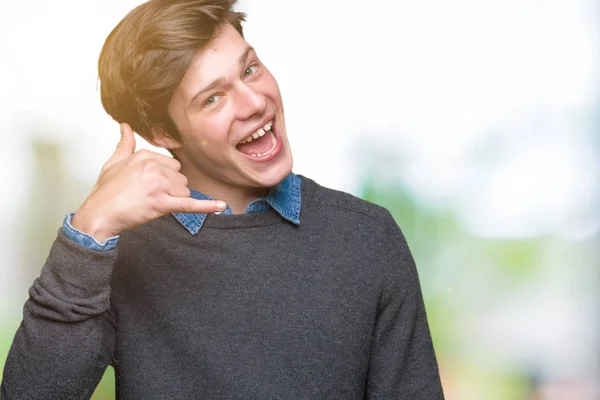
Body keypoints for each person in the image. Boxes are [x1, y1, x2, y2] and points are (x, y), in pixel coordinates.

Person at [1, 0, 444, 398]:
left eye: (249, 69)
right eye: (213, 98)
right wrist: (89, 228)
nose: (254, 102)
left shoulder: (366, 238)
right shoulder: (120, 256)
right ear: (162, 134)